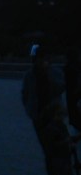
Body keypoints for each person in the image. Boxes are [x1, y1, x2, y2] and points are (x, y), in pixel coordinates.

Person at [22, 44, 73, 175]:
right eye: (40, 58)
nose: (43, 61)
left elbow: (61, 88)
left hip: (54, 115)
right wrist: (30, 110)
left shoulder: (54, 72)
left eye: (45, 58)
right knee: (47, 149)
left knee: (59, 146)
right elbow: (25, 93)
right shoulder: (29, 75)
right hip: (39, 116)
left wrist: (48, 75)